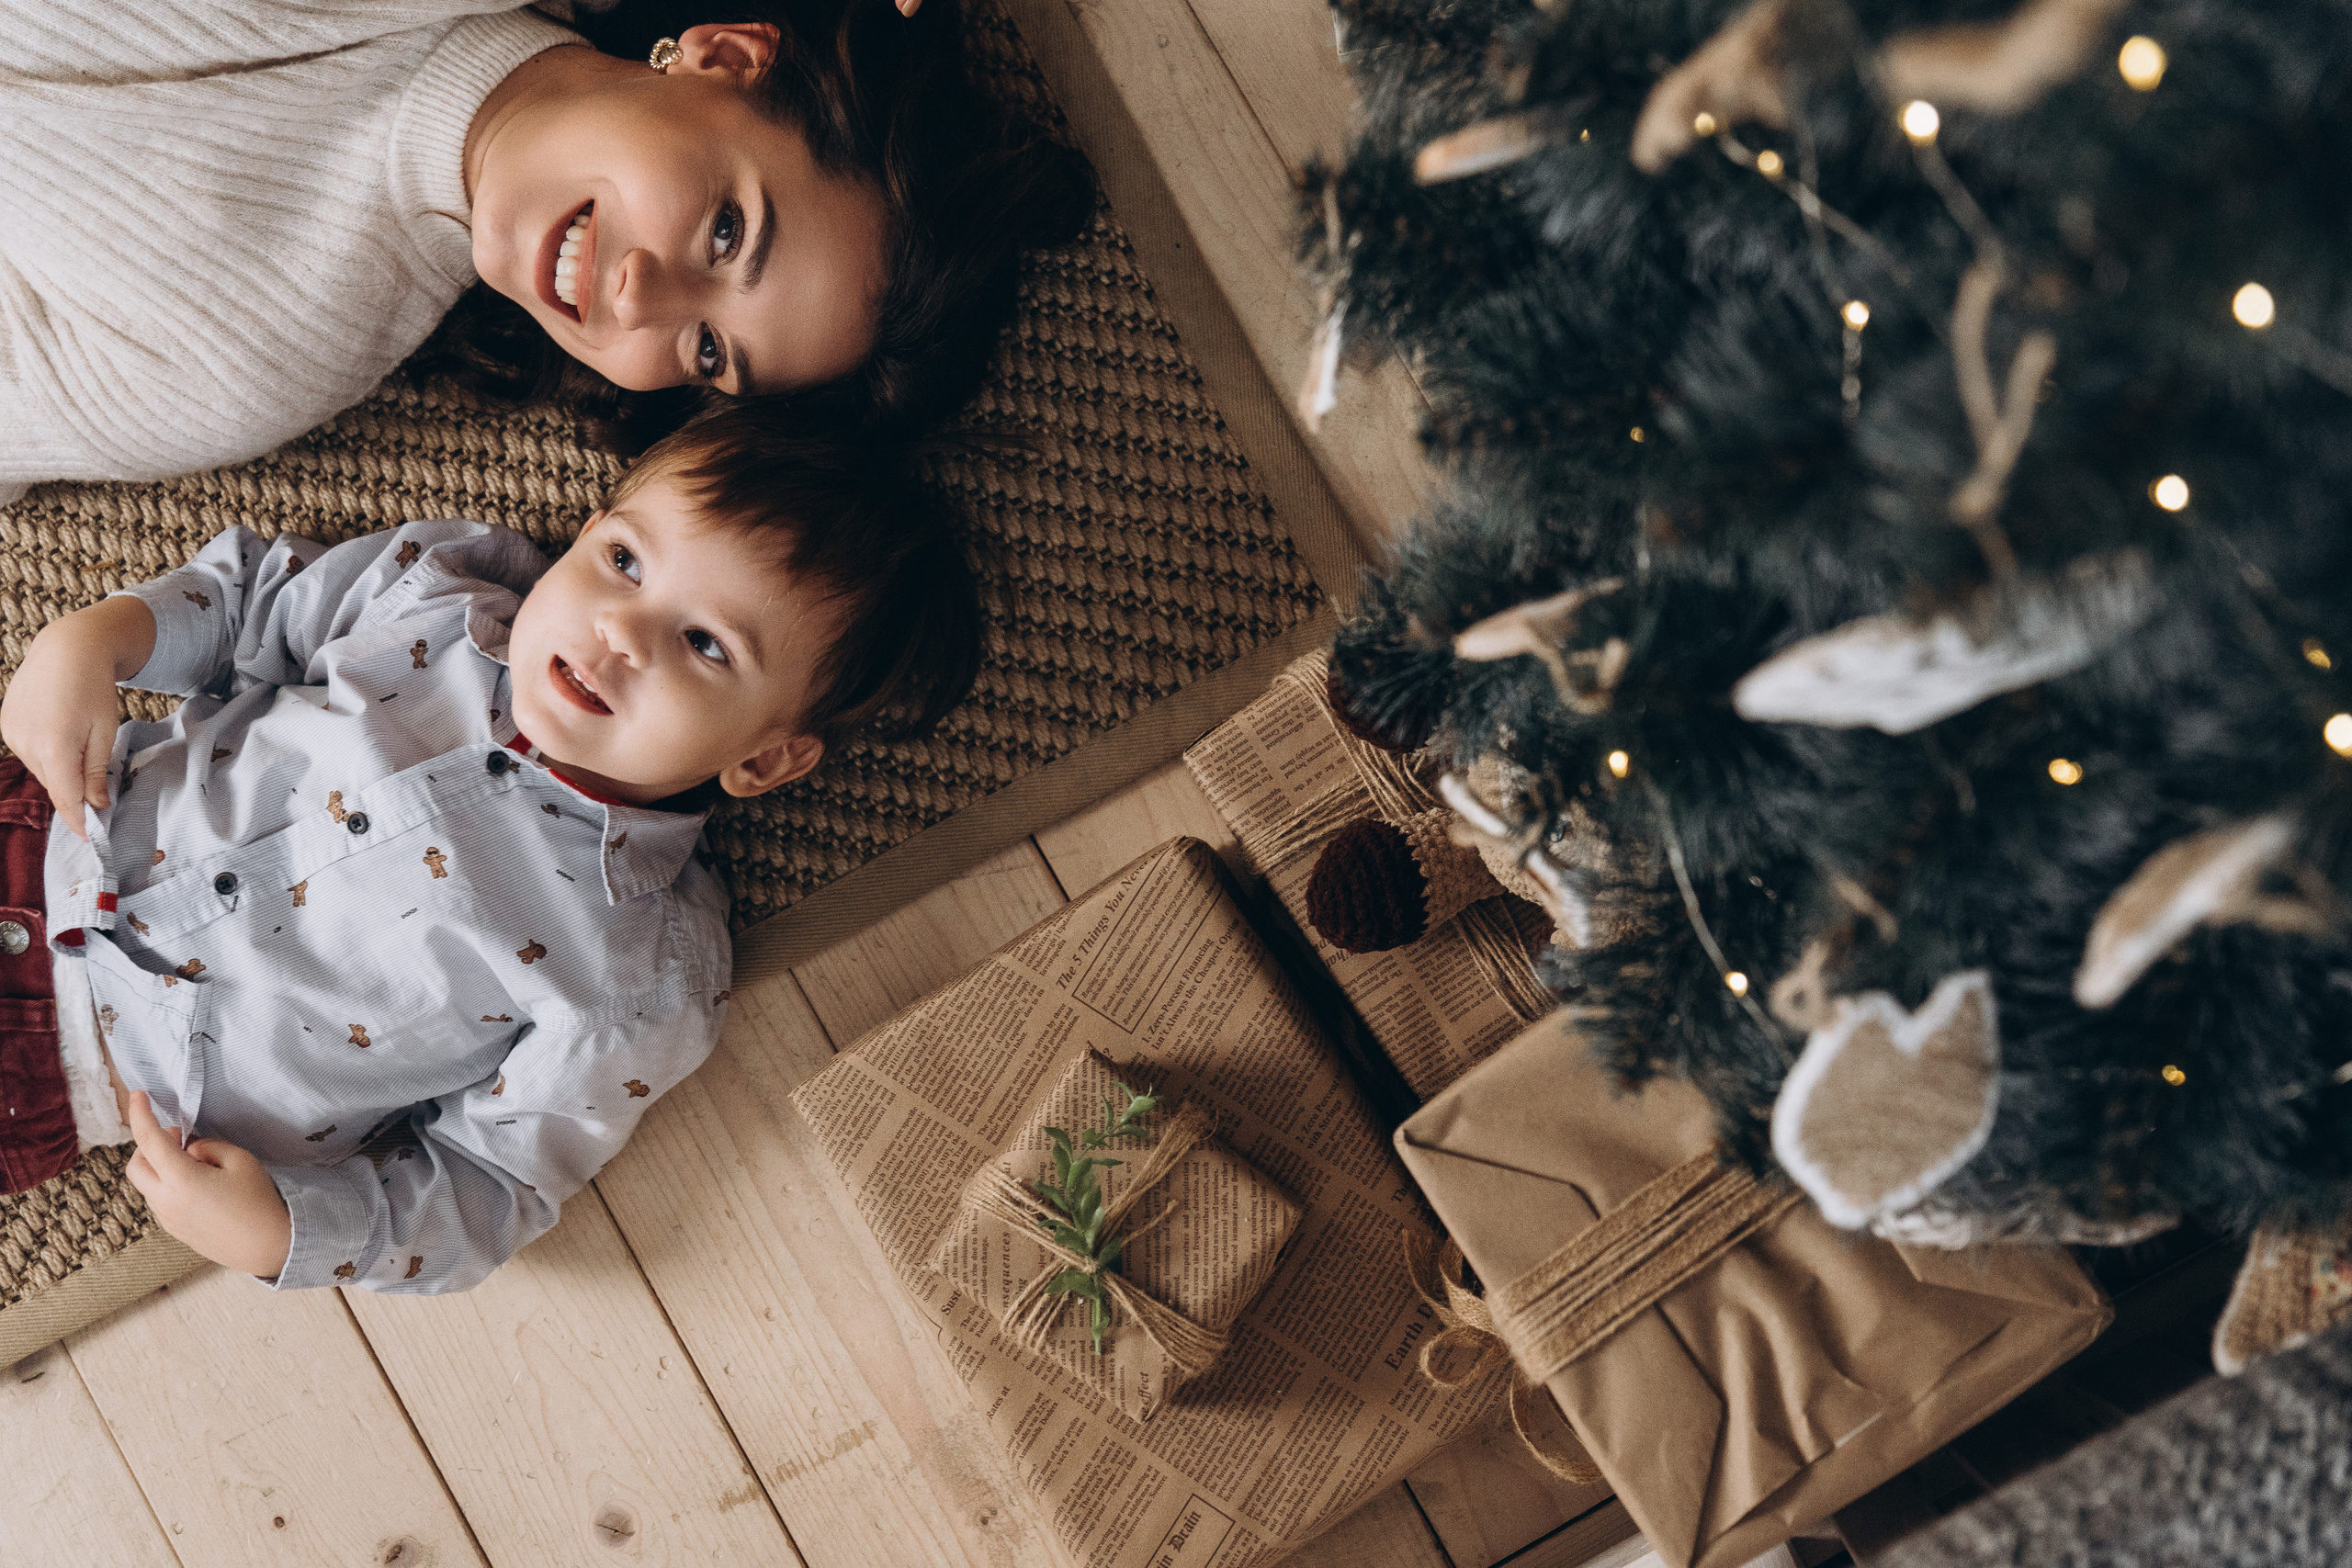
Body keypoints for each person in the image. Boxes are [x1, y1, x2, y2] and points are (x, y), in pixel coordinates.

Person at [0, 401, 980, 1291]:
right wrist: (95, 641)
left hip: (70, 1069)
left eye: (705, 645)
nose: (620, 630)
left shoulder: (638, 975)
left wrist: (287, 1233)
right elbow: (253, 602)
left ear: (765, 761)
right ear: (589, 534)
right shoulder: (438, 597)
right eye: (626, 563)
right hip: (47, 826)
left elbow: (487, 1184)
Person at [0, 0, 1090, 506]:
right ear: (719, 54)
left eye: (709, 353)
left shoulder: (249, 362)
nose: (640, 297)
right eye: (725, 228)